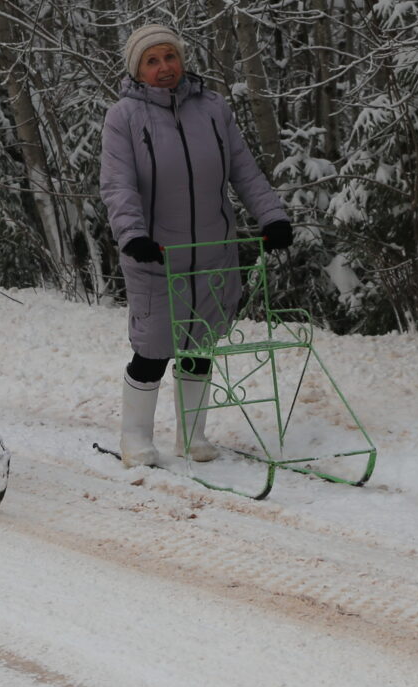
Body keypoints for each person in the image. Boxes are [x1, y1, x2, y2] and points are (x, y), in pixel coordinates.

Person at [100, 23, 291, 467]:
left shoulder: (213, 108)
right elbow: (117, 184)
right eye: (152, 60)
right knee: (153, 347)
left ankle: (193, 435)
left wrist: (272, 216)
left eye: (170, 57)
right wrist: (132, 235)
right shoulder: (123, 117)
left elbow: (243, 168)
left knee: (200, 344)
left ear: (181, 59)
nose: (164, 67)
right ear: (137, 69)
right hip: (155, 254)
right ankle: (135, 439)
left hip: (213, 251)